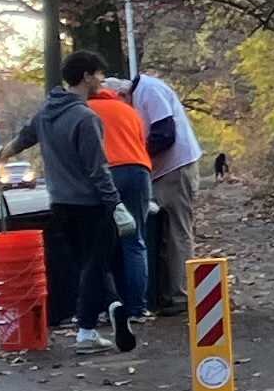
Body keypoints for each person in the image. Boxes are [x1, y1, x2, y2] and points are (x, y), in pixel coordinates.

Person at [31, 52, 133, 350]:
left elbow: (25, 136)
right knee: (95, 265)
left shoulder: (46, 113)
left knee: (90, 265)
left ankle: (113, 304)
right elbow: (98, 169)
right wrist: (116, 205)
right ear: (87, 76)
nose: (102, 80)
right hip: (91, 205)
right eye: (99, 74)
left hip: (60, 203)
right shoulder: (86, 118)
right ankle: (86, 331)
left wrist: (0, 155)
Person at [124, 58, 204, 316]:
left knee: (178, 231)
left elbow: (165, 134)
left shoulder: (150, 90)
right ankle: (168, 292)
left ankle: (180, 294)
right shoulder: (141, 92)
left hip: (175, 168)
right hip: (164, 170)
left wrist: (137, 156)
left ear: (122, 93)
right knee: (167, 232)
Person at [90, 70, 157, 341]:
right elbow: (142, 143)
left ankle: (107, 304)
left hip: (107, 174)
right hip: (138, 172)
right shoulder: (129, 112)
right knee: (135, 241)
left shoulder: (86, 110)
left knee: (101, 243)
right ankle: (137, 307)